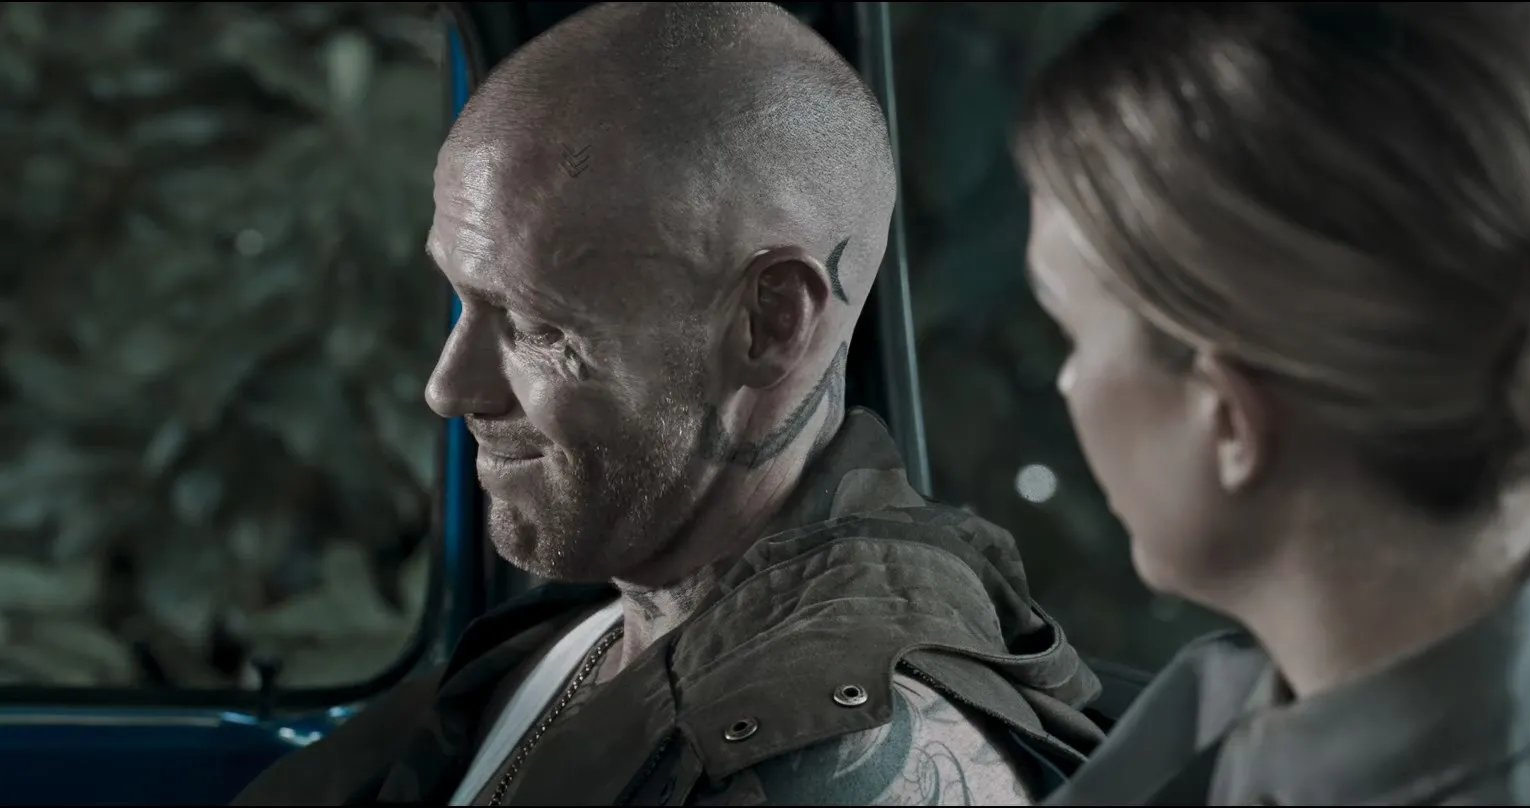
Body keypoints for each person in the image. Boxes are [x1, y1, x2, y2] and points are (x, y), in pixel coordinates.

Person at [232, 3, 1103, 805]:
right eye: (461, 299)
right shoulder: (590, 624)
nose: (449, 387)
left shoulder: (849, 755)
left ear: (769, 323)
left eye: (535, 326)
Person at [1015, 4, 1530, 806]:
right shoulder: (1219, 708)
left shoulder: (1217, 740)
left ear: (1227, 419)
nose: (1067, 386)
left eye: (1071, 334)